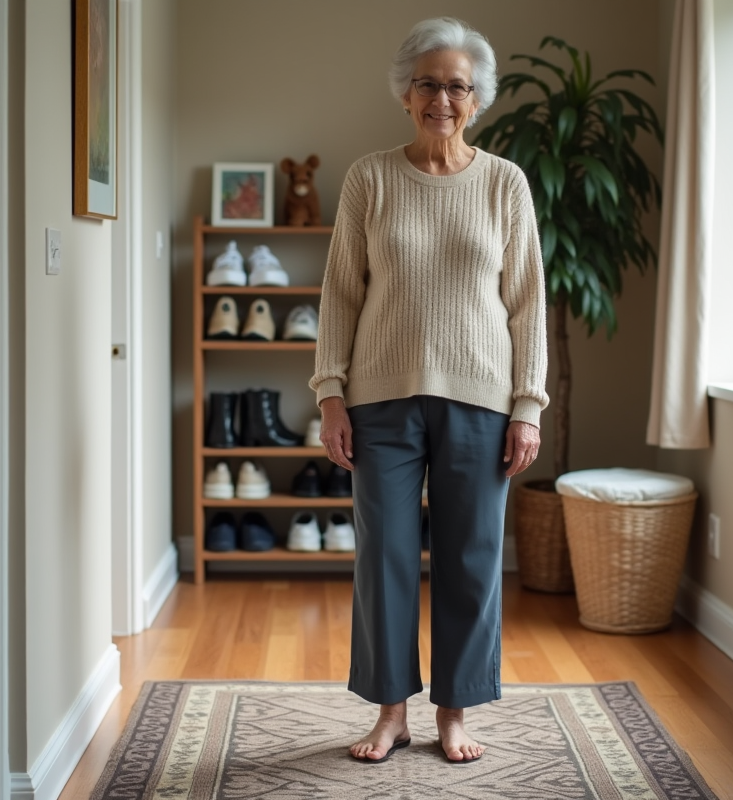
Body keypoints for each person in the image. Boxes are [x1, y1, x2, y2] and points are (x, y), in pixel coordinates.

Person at [310, 16, 548, 764]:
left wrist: (528, 407)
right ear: (405, 95)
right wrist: (330, 395)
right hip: (381, 399)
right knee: (383, 557)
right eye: (427, 83)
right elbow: (341, 294)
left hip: (481, 400)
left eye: (456, 86)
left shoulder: (505, 183)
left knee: (471, 559)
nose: (441, 97)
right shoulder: (370, 178)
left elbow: (527, 302)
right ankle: (391, 712)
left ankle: (454, 711)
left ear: (477, 100)